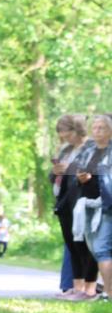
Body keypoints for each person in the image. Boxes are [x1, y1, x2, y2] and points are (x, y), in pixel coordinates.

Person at [49, 114, 96, 298]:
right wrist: (55, 171)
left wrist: (72, 170)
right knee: (72, 246)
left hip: (83, 201)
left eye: (66, 134)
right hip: (64, 202)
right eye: (61, 134)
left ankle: (88, 289)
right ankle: (76, 287)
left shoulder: (91, 147)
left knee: (84, 246)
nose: (63, 137)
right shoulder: (66, 150)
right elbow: (54, 176)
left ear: (77, 130)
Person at [73, 114, 112, 301]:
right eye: (94, 128)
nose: (97, 131)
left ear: (110, 131)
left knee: (102, 248)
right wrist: (80, 178)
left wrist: (95, 176)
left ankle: (108, 294)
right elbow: (78, 171)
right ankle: (107, 290)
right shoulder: (89, 150)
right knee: (96, 249)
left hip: (106, 206)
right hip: (87, 205)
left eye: (101, 128)